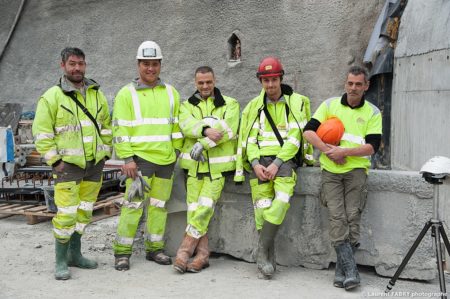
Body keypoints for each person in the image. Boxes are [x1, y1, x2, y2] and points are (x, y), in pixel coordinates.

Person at [32, 47, 112, 280]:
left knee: (84, 213)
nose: (77, 68)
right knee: (66, 214)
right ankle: (60, 260)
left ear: (85, 65)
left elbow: (106, 125)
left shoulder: (96, 93)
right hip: (67, 167)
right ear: (63, 66)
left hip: (94, 165)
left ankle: (75, 254)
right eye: (72, 64)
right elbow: (42, 133)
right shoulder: (52, 96)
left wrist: (105, 153)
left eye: (81, 64)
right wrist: (55, 161)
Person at [303, 65, 382, 290]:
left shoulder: (373, 112)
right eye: (350, 83)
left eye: (358, 84)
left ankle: (343, 271)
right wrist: (329, 151)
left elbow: (372, 147)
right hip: (330, 172)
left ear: (366, 86)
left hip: (356, 172)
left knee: (352, 218)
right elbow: (308, 132)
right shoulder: (330, 105)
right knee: (337, 218)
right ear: (345, 84)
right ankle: (351, 271)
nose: (353, 88)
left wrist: (344, 152)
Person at [234, 57, 313, 279]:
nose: (270, 85)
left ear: (281, 79)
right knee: (261, 207)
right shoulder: (253, 107)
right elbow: (249, 139)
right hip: (259, 164)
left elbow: (295, 138)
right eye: (265, 80)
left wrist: (277, 163)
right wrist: (257, 164)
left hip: (285, 163)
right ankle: (267, 257)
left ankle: (261, 250)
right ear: (260, 81)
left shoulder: (294, 104)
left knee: (281, 201)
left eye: (274, 79)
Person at [112, 41, 183, 271]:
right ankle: (122, 253)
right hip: (139, 162)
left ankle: (155, 249)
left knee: (159, 206)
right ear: (138, 65)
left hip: (166, 161)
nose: (150, 69)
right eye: (145, 64)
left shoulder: (172, 93)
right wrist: (127, 159)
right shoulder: (126, 94)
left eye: (154, 64)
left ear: (160, 65)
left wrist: (177, 151)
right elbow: (120, 128)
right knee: (132, 206)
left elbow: (176, 127)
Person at [173, 66, 240, 273]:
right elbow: (186, 125)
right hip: (193, 169)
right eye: (201, 83)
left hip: (217, 170)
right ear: (195, 83)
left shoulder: (230, 104)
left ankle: (184, 251)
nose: (205, 86)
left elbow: (227, 131)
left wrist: (202, 143)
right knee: (194, 211)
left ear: (215, 80)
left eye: (208, 82)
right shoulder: (186, 106)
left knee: (204, 209)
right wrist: (205, 130)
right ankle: (202, 256)